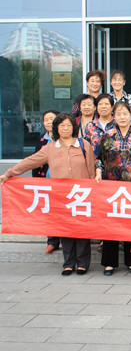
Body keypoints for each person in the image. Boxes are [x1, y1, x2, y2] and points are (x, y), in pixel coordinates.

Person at [0, 113, 95, 276]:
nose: (66, 128)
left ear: (74, 127)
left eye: (69, 125)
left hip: (82, 196)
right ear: (56, 128)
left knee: (82, 229)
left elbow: (91, 170)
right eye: (62, 125)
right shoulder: (50, 148)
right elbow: (30, 161)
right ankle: (68, 263)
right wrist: (9, 173)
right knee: (65, 229)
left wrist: (94, 191)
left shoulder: (83, 145)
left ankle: (82, 263)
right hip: (61, 197)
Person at [94, 102, 131, 276]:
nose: (122, 117)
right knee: (111, 224)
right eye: (119, 114)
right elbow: (98, 158)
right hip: (111, 186)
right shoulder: (107, 135)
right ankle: (109, 263)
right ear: (114, 116)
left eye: (125, 113)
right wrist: (98, 171)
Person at [32, 109, 61, 254]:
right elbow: (35, 161)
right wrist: (36, 181)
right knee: (50, 212)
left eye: (52, 119)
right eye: (46, 119)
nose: (49, 122)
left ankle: (66, 239)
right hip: (46, 182)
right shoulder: (41, 140)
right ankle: (52, 241)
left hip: (62, 183)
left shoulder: (64, 139)